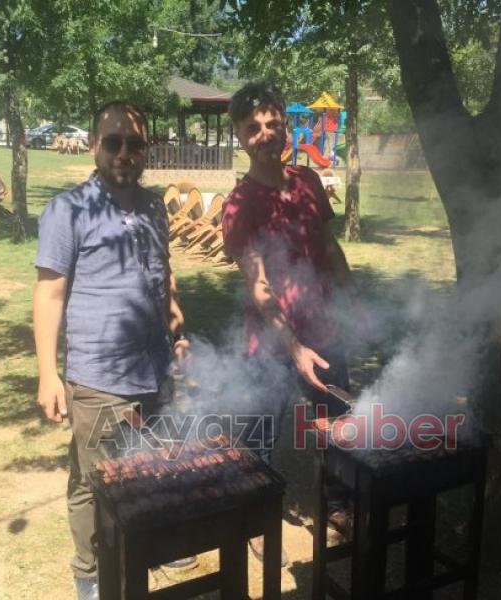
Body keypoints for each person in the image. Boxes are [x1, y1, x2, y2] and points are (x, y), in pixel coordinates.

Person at [33, 101, 190, 600]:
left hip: (155, 367)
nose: (125, 152)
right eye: (114, 142)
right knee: (94, 482)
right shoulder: (68, 209)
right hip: (98, 377)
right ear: (94, 146)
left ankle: (150, 542)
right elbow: (49, 293)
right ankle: (91, 571)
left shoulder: (152, 205)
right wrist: (47, 374)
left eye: (135, 144)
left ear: (147, 149)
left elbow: (162, 274)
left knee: (153, 464)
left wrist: (178, 328)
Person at [221, 82, 356, 564]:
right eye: (253, 127)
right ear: (239, 135)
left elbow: (330, 246)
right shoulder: (238, 205)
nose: (265, 133)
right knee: (260, 432)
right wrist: (294, 346)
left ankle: (341, 505)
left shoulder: (308, 182)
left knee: (337, 424)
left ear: (284, 125)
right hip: (272, 341)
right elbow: (259, 288)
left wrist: (352, 296)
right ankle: (256, 518)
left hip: (326, 329)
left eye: (272, 123)